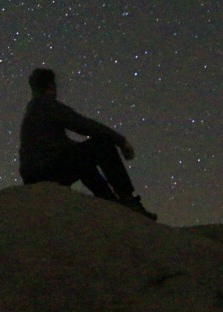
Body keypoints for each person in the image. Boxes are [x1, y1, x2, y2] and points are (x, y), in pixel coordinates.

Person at [18, 67, 155, 219]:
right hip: (45, 170)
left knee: (83, 160)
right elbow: (84, 125)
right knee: (101, 145)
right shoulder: (47, 106)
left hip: (34, 173)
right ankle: (127, 199)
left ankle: (110, 202)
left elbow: (57, 146)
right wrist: (120, 140)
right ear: (51, 85)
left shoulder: (33, 111)